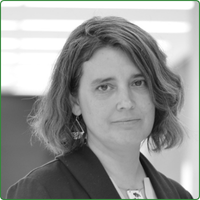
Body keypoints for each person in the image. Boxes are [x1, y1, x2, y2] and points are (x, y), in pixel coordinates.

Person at [6, 16, 193, 199]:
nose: (126, 102)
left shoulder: (179, 195)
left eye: (138, 82)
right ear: (75, 102)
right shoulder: (41, 191)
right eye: (104, 87)